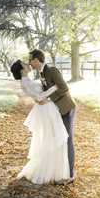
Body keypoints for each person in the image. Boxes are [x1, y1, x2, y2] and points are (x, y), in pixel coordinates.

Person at [10, 60, 70, 184]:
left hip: (47, 108)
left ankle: (55, 169)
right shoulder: (25, 82)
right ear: (22, 69)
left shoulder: (27, 80)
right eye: (25, 64)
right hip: (46, 110)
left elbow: (39, 96)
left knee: (54, 137)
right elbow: (38, 97)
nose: (28, 65)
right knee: (53, 137)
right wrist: (55, 87)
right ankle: (50, 171)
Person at [28, 49, 77, 185]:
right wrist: (42, 98)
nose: (29, 63)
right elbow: (47, 91)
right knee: (59, 139)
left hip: (67, 108)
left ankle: (71, 175)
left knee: (67, 139)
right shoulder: (42, 73)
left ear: (37, 60)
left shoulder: (52, 71)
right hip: (57, 111)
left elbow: (64, 88)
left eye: (31, 60)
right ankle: (62, 171)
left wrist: (49, 99)